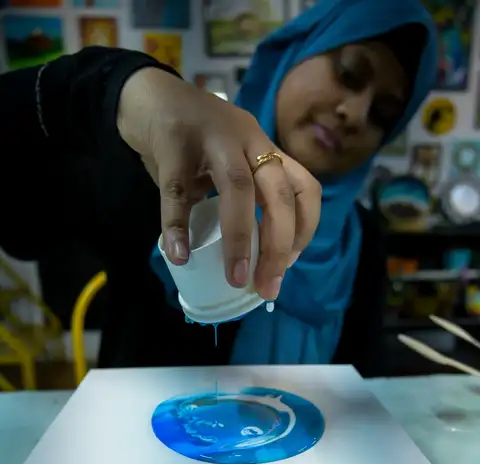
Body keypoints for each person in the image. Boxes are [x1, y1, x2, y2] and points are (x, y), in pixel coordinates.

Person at [150, 0, 438, 374]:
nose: (354, 114)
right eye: (349, 74)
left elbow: (363, 377)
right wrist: (137, 93)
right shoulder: (175, 185)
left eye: (382, 114)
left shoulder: (362, 239)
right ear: (295, 53)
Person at [0, 46, 320, 314]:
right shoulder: (149, 172)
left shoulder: (354, 248)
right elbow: (23, 228)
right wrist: (118, 86)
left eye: (373, 112)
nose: (347, 111)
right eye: (345, 73)